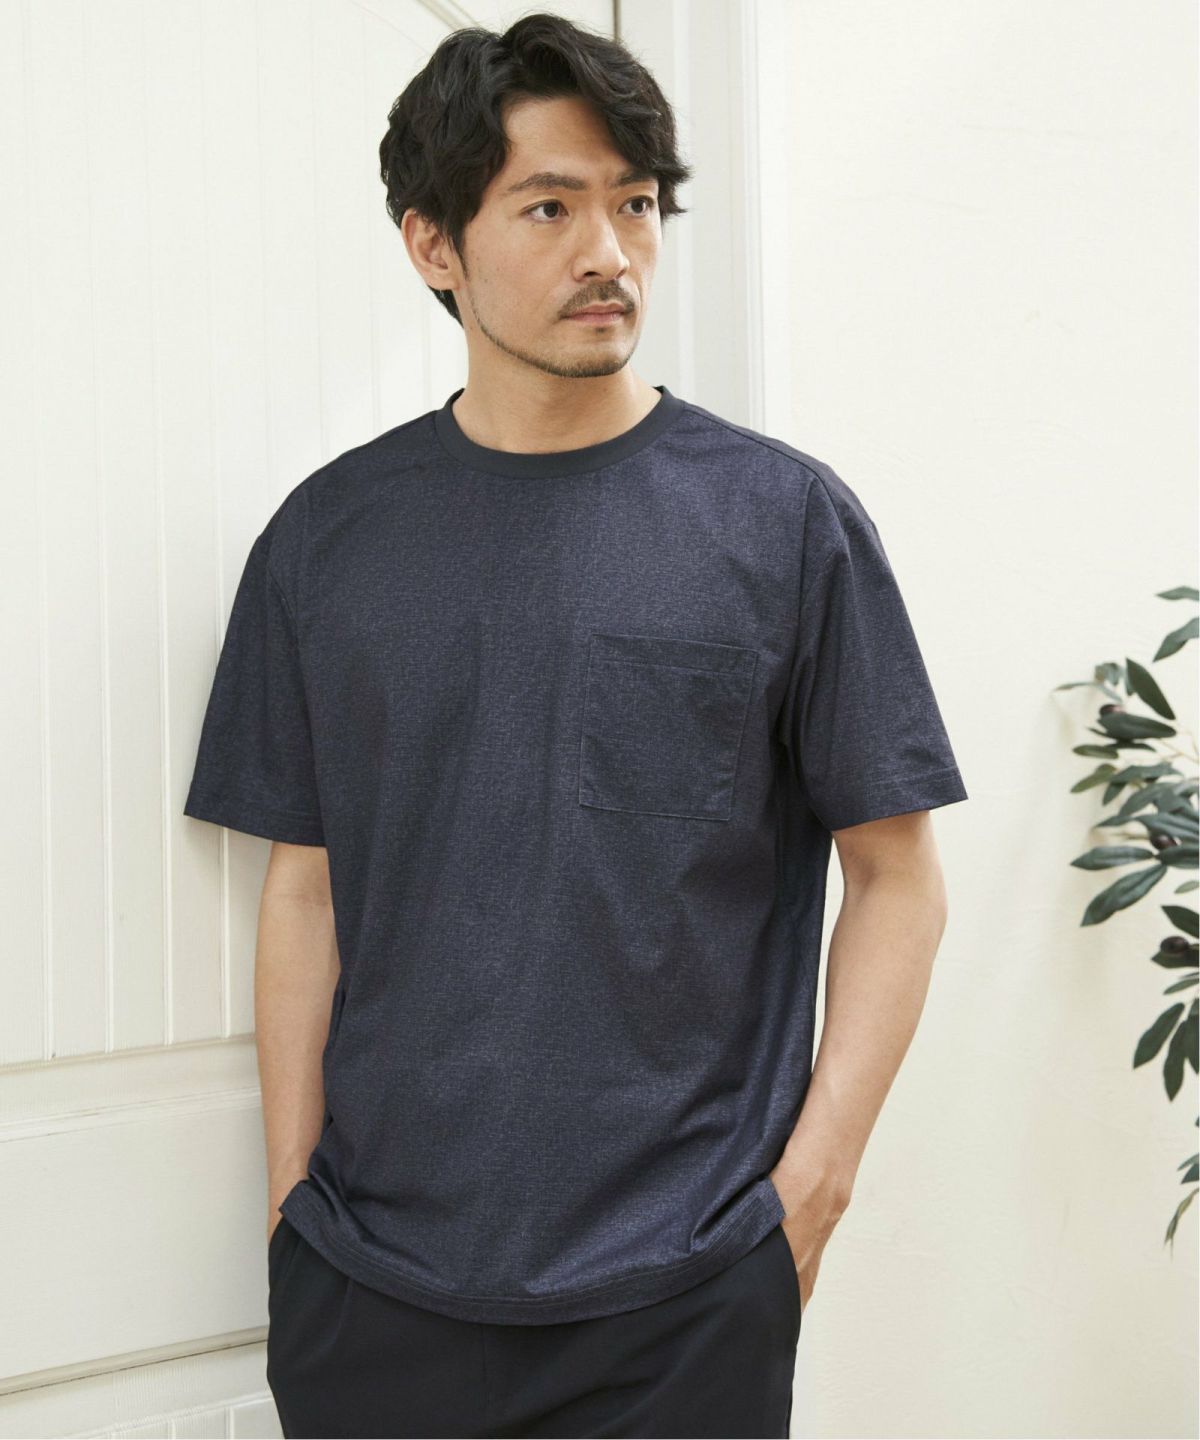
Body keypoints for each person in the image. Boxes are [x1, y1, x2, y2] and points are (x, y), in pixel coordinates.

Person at [183, 12, 969, 1438]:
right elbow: (306, 887)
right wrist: (293, 1208)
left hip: (683, 1296)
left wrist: (811, 1193)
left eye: (636, 204)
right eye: (550, 207)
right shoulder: (326, 540)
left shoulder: (784, 522)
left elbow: (897, 875)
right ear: (433, 244)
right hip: (375, 1291)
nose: (610, 251)